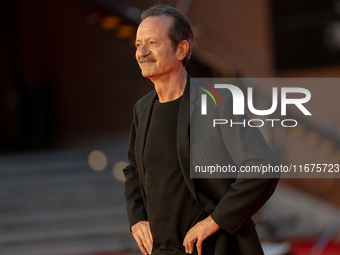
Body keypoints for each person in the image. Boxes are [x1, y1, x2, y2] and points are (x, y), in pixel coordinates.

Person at [123, 5, 279, 255]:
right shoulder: (142, 109)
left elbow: (263, 166)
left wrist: (216, 220)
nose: (142, 52)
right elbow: (133, 170)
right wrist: (137, 218)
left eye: (152, 42)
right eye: (138, 44)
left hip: (213, 248)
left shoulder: (217, 102)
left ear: (181, 49)